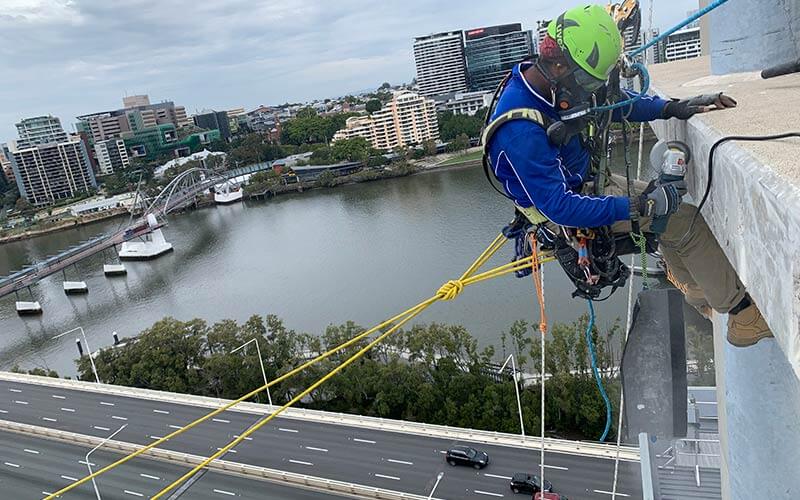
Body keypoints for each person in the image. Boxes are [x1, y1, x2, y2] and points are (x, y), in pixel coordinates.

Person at [484, 4, 772, 347]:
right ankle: (744, 318)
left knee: (670, 215)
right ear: (559, 65)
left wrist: (671, 107)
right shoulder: (519, 131)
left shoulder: (554, 83)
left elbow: (612, 103)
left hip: (580, 185)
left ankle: (699, 292)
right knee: (684, 221)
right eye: (587, 81)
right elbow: (559, 207)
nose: (588, 89)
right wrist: (638, 206)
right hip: (565, 211)